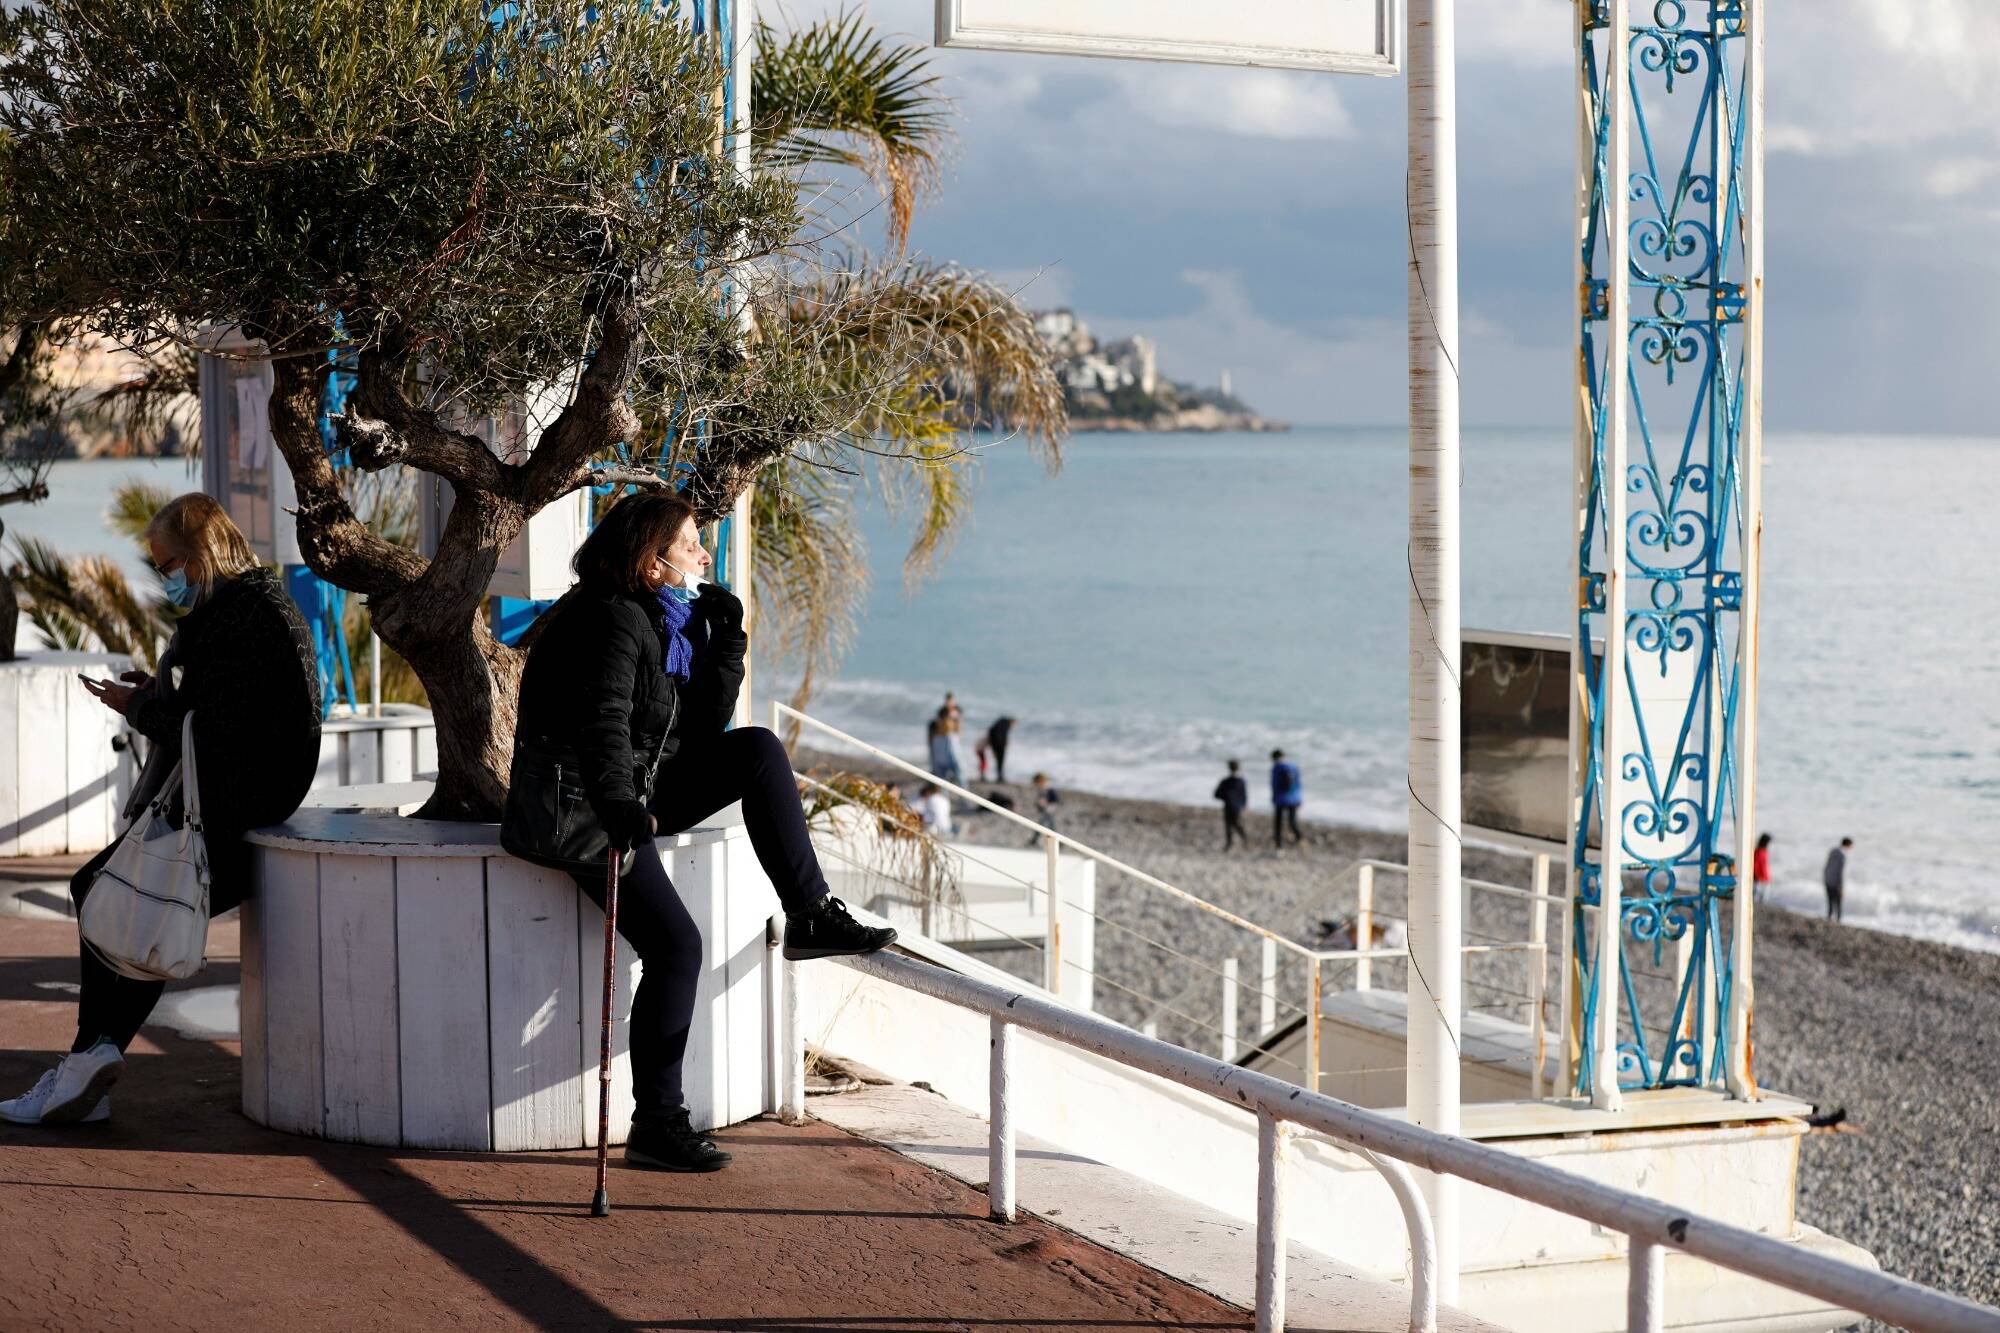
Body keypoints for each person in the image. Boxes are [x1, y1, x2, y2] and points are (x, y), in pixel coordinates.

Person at [507, 492, 893, 1172]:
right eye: (691, 545)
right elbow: (602, 725)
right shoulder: (610, 619)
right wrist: (619, 806)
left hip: (632, 789)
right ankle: (657, 1123)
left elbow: (697, 731)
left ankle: (810, 913)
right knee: (677, 945)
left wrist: (728, 642)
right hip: (583, 809)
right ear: (651, 562)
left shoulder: (663, 622)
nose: (705, 556)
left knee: (757, 750)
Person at [2, 494, 321, 1127]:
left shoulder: (238, 615)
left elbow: (212, 732)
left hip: (231, 804)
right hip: (250, 794)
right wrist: (159, 693)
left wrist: (137, 708)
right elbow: (222, 707)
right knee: (126, 908)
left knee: (104, 892)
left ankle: (88, 1063)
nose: (165, 578)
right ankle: (88, 1065)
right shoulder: (256, 603)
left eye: (170, 564)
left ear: (201, 553)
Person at [1269, 749, 1303, 848]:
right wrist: (1299, 798)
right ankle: (1299, 838)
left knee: (1278, 823)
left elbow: (1275, 785)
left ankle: (1279, 845)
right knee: (1292, 822)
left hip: (1281, 798)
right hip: (1294, 798)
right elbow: (1298, 784)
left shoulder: (1277, 768)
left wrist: (1274, 797)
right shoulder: (1294, 767)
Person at [1214, 760, 1249, 851]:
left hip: (1229, 805)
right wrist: (1244, 805)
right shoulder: (1241, 781)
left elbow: (1217, 794)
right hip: (1236, 806)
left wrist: (1226, 797)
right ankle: (1242, 838)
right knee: (1234, 823)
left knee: (1230, 825)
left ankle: (1231, 843)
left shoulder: (1226, 781)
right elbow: (1244, 795)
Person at [1823, 837, 1851, 922]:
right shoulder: (1842, 855)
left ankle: (1829, 918)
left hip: (1828, 879)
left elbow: (1827, 865)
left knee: (1830, 901)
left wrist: (1825, 877)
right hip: (1835, 882)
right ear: (1848, 845)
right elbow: (1840, 873)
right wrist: (1841, 887)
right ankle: (1838, 921)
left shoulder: (1833, 851)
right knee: (1838, 903)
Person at [985, 716, 1015, 784]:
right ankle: (1000, 777)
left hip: (996, 745)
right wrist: (1004, 743)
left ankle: (999, 776)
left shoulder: (1000, 724)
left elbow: (991, 731)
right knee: (1000, 762)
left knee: (998, 762)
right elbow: (1003, 735)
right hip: (1000, 746)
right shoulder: (1006, 724)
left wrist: (993, 747)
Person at [1030, 772, 1061, 837]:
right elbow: (1040, 801)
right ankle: (1035, 838)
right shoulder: (1041, 790)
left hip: (1049, 810)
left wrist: (1046, 803)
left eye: (1037, 783)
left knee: (1048, 825)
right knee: (1047, 824)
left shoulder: (1050, 790)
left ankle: (1035, 838)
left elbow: (1055, 800)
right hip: (1045, 810)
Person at [1753, 833, 1772, 905]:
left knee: (1762, 898)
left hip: (1764, 877)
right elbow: (1756, 865)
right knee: (1758, 898)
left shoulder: (1763, 851)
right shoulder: (1759, 852)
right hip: (1759, 878)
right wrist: (1757, 876)